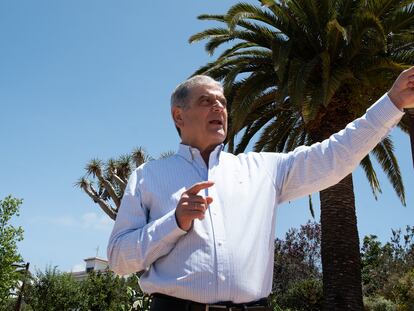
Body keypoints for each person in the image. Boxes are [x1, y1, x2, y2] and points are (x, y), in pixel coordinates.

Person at [108, 68, 414, 311]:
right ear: (178, 115)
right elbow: (119, 259)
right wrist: (174, 223)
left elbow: (335, 155)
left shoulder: (263, 170)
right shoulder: (148, 176)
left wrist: (392, 102)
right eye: (206, 101)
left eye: (223, 102)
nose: (219, 107)